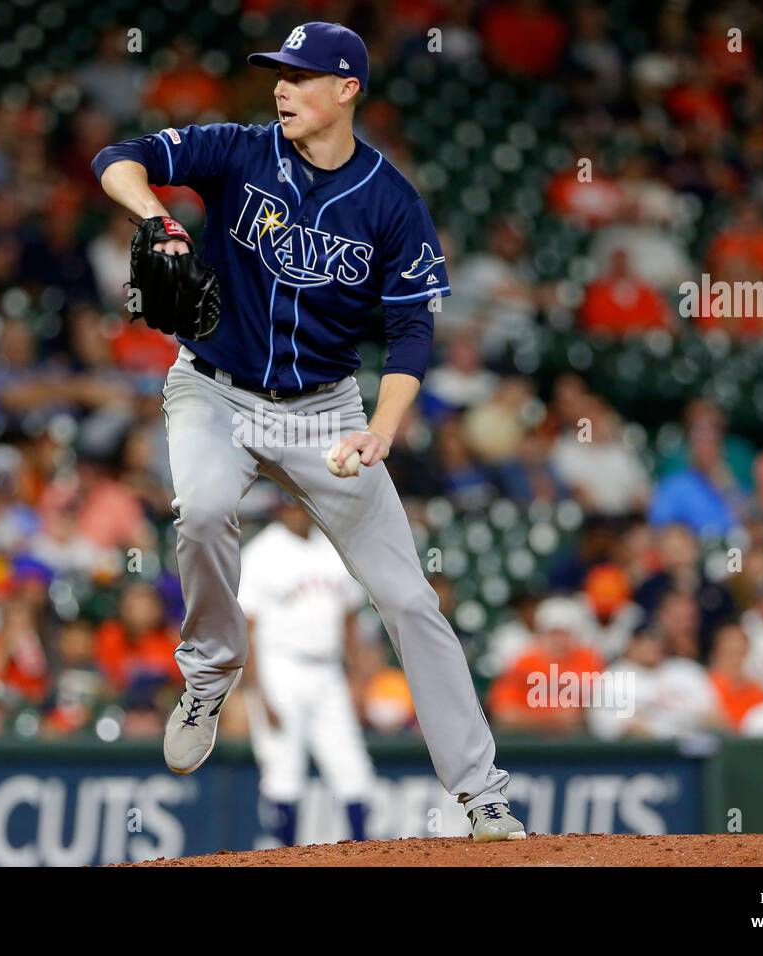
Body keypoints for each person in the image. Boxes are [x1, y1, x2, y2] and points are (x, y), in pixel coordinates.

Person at [91, 22, 525, 841]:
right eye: (277, 75)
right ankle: (211, 675)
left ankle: (482, 794)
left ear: (347, 89)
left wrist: (384, 430)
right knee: (206, 508)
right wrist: (157, 217)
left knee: (409, 599)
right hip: (214, 392)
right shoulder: (239, 151)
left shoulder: (392, 202)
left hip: (328, 414)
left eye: (300, 75)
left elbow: (414, 335)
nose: (282, 88)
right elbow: (117, 155)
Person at [239, 496, 376, 846]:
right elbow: (247, 629)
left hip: (329, 671)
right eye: (289, 505)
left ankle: (363, 855)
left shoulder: (332, 549)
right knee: (283, 772)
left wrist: (358, 681)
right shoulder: (261, 553)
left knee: (353, 770)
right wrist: (256, 691)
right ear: (279, 509)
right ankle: (287, 855)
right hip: (281, 668)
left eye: (300, 504)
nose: (296, 511)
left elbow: (349, 620)